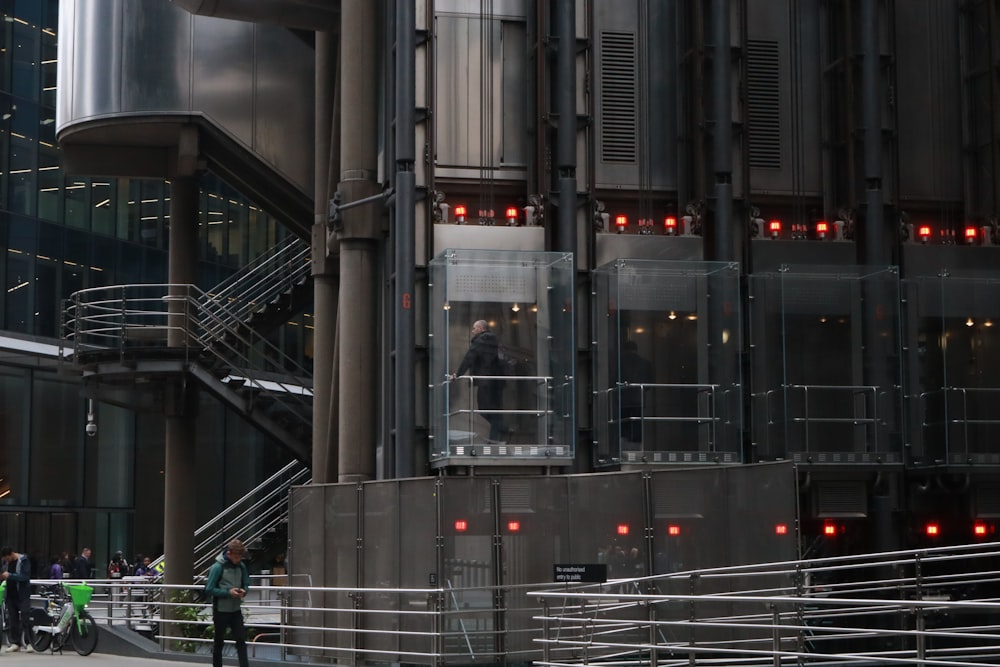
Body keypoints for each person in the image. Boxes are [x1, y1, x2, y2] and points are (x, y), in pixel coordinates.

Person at [453, 319, 508, 442]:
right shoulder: (495, 341)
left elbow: (470, 357)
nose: (472, 331)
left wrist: (458, 374)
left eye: (474, 328)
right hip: (497, 381)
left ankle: (502, 429)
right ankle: (496, 436)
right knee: (494, 410)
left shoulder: (482, 340)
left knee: (484, 409)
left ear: (481, 328)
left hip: (486, 380)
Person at [206, 539, 251, 667]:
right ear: (229, 553)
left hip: (236, 609)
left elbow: (246, 583)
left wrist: (244, 591)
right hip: (221, 610)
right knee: (219, 641)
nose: (238, 560)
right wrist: (227, 592)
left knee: (241, 640)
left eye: (240, 557)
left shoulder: (241, 566)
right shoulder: (218, 567)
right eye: (236, 557)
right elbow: (209, 588)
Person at [619, 340, 653, 443]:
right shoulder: (645, 363)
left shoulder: (619, 361)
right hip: (639, 398)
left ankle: (625, 444)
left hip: (623, 398)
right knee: (637, 423)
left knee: (624, 424)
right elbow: (649, 382)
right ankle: (637, 444)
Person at [0, 546, 32, 652]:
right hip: (10, 595)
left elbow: (25, 577)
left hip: (22, 594)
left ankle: (29, 642)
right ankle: (15, 642)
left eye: (7, 559)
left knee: (25, 617)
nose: (6, 561)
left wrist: (10, 575)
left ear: (11, 554)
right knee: (12, 619)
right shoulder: (6, 563)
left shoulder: (23, 560)